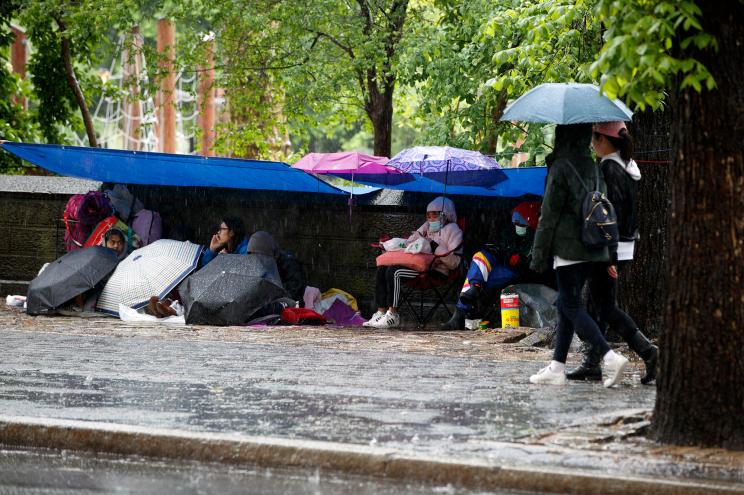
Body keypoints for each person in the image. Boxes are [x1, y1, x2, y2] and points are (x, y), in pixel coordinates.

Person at [529, 123, 629, 388]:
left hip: (568, 248)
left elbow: (548, 215)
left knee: (570, 304)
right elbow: (602, 209)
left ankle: (609, 357)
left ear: (562, 136)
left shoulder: (561, 167)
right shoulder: (593, 166)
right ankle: (557, 367)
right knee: (566, 306)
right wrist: (608, 254)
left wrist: (539, 253)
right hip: (593, 246)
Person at [566, 121, 658, 384]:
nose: (592, 143)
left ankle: (649, 353)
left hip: (608, 248)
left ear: (604, 140)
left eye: (595, 138)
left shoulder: (610, 168)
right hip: (617, 246)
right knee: (598, 305)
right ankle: (593, 362)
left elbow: (611, 214)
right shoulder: (623, 166)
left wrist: (609, 255)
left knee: (604, 307)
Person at [364, 196, 463, 329]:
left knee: (395, 272)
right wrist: (408, 241)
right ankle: (381, 312)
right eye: (428, 215)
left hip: (436, 271)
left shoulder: (454, 230)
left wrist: (433, 245)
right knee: (383, 269)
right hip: (417, 264)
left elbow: (454, 262)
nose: (430, 219)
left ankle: (393, 315)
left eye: (435, 215)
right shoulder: (426, 227)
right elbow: (411, 241)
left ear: (445, 215)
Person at [440, 201, 541, 330]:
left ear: (530, 221)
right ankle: (475, 286)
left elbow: (529, 265)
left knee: (476, 276)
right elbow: (501, 247)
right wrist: (502, 252)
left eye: (520, 223)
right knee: (480, 255)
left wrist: (516, 258)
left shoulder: (537, 238)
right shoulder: (509, 232)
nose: (516, 226)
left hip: (514, 271)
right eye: (514, 223)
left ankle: (460, 313)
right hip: (498, 263)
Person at [246, 230, 307, 304]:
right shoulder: (258, 266)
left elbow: (294, 292)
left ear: (267, 253)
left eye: (258, 255)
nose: (256, 260)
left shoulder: (290, 265)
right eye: (252, 256)